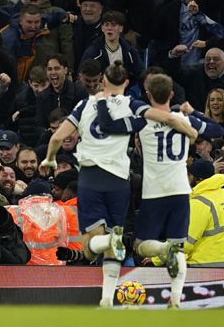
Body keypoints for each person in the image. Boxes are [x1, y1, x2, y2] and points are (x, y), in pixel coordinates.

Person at [42, 61, 197, 308]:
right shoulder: (133, 105)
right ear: (126, 83)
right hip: (119, 181)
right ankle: (106, 299)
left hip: (92, 177)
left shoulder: (85, 104)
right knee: (115, 240)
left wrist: (50, 159)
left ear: (103, 82)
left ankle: (107, 249)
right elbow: (166, 117)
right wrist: (189, 131)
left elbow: (59, 136)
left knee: (91, 247)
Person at [94, 73, 221, 308]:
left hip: (154, 193)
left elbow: (108, 125)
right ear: (171, 94)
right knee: (179, 246)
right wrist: (193, 112)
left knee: (140, 246)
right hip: (181, 190)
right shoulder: (184, 119)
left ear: (149, 94)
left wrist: (102, 101)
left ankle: (163, 248)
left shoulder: (142, 119)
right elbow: (217, 130)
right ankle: (175, 299)